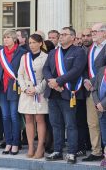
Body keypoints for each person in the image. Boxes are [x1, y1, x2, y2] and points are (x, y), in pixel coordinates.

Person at [43, 27, 86, 164]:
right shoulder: (53, 52)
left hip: (68, 92)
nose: (61, 37)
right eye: (60, 35)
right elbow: (46, 69)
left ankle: (72, 152)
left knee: (70, 124)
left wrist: (58, 81)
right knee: (56, 124)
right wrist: (52, 81)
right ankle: (57, 151)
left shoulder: (78, 52)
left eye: (64, 34)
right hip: (53, 93)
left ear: (73, 38)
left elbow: (76, 70)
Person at [0, 29, 27, 155]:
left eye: (8, 37)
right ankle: (8, 142)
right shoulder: (0, 53)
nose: (6, 39)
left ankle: (15, 143)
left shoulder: (22, 52)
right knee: (5, 116)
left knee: (14, 116)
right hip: (2, 88)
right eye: (4, 37)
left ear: (14, 39)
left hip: (14, 88)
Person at [17, 34, 48, 159]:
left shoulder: (46, 57)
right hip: (26, 93)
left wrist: (37, 89)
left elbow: (47, 76)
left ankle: (40, 146)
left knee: (39, 119)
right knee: (28, 118)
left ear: (40, 43)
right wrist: (24, 88)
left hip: (39, 92)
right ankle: (31, 146)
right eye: (30, 43)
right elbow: (20, 74)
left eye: (34, 42)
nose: (32, 45)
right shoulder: (24, 57)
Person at [83, 23, 106, 162]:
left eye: (95, 31)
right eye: (92, 31)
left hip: (103, 90)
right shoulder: (90, 49)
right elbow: (85, 67)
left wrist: (92, 81)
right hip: (91, 91)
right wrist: (86, 81)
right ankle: (96, 151)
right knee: (93, 122)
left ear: (104, 33)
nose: (93, 33)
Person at [91, 66, 106, 167]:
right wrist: (97, 103)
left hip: (103, 106)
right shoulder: (101, 70)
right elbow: (94, 89)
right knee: (105, 137)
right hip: (101, 110)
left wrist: (103, 104)